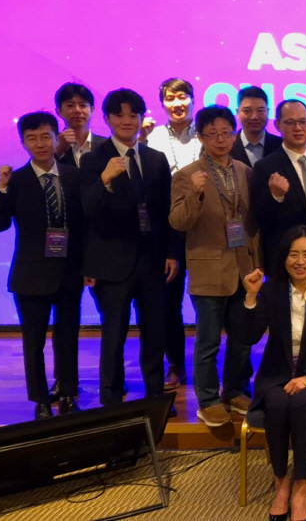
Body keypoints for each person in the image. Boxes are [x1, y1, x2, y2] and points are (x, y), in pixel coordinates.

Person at [240, 226, 306, 521]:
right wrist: (251, 298)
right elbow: (250, 336)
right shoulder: (272, 289)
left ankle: (301, 486)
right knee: (276, 404)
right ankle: (281, 483)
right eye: (293, 254)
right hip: (277, 374)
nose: (300, 261)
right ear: (284, 258)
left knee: (300, 404)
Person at [78, 88, 179, 409]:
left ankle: (154, 397)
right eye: (119, 114)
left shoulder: (155, 158)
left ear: (141, 119)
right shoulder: (94, 159)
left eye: (132, 114)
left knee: (154, 331)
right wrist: (105, 180)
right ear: (106, 119)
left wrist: (172, 252)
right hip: (111, 264)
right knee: (114, 334)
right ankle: (111, 401)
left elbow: (167, 213)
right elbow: (85, 212)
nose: (126, 120)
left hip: (152, 261)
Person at [0, 111, 85, 419]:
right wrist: (1, 188)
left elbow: (84, 225)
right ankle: (41, 400)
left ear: (57, 139)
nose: (40, 144)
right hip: (30, 275)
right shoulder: (15, 180)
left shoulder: (74, 175)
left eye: (45, 136)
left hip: (69, 273)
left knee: (68, 338)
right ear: (23, 142)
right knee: (34, 342)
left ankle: (67, 394)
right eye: (32, 138)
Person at [168, 105, 262, 428]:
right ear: (201, 136)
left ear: (234, 134)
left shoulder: (245, 171)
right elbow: (178, 222)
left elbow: (252, 223)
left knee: (242, 337)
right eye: (212, 134)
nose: (220, 139)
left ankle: (235, 390)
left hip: (243, 268)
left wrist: (258, 264)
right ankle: (207, 400)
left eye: (226, 132)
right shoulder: (186, 175)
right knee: (208, 340)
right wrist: (195, 193)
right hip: (208, 269)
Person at [142, 77, 202, 392]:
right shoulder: (150, 139)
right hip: (168, 228)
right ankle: (176, 364)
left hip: (206, 227)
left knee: (211, 300)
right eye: (170, 98)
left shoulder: (207, 133)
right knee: (169, 304)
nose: (177, 103)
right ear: (163, 103)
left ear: (193, 99)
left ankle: (210, 367)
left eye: (183, 96)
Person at [250, 99, 306, 270]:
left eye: (303, 121)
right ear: (277, 125)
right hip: (288, 255)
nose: (298, 128)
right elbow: (260, 218)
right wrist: (275, 196)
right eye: (290, 123)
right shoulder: (266, 166)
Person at [54, 82, 107, 167]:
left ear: (92, 110)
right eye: (70, 105)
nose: (77, 110)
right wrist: (58, 152)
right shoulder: (51, 144)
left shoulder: (106, 145)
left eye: (83, 105)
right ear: (59, 111)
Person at [230, 86, 283, 167]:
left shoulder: (282, 146)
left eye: (260, 111)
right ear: (237, 112)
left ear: (268, 112)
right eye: (247, 111)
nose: (254, 116)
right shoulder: (227, 146)